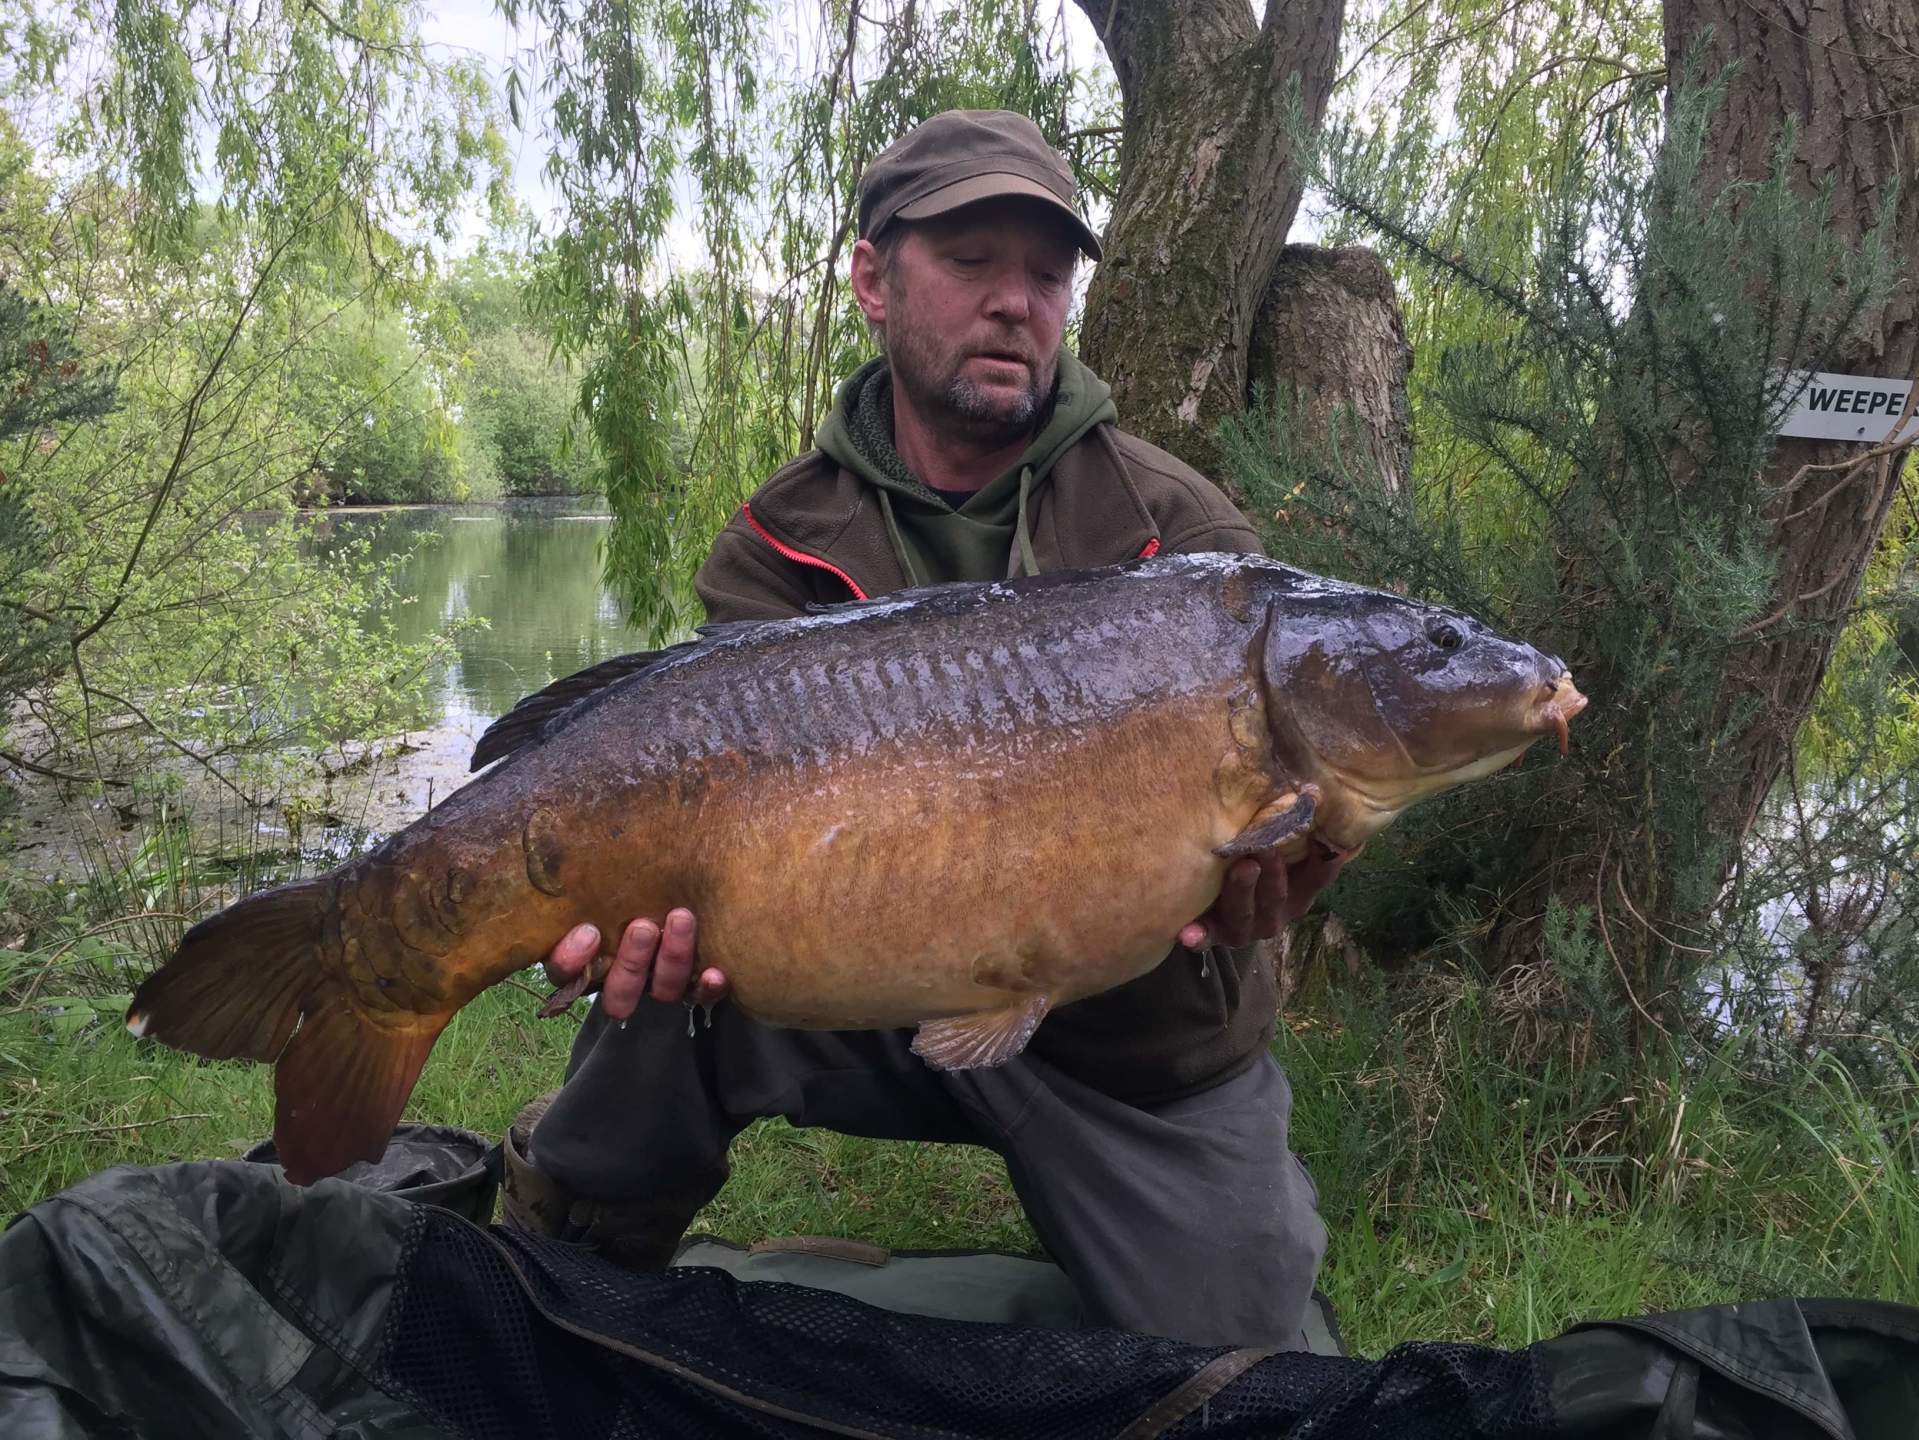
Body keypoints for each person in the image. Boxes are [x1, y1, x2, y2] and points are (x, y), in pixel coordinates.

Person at [501, 108, 1349, 1349]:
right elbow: (694, 801)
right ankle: (570, 1253)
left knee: (1250, 1352)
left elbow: (1281, 823)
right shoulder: (779, 542)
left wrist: (1277, 881)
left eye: (1047, 273)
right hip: (846, 983)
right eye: (971, 261)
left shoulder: (1181, 537)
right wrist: (618, 899)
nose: (1015, 302)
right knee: (663, 985)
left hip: (1125, 1030)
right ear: (872, 280)